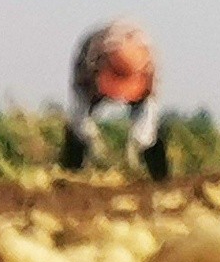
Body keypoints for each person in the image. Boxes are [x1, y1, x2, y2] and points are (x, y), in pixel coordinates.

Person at [62, 19, 166, 178]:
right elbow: (79, 111)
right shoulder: (87, 65)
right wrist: (90, 138)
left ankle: (159, 177)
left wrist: (139, 141)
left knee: (150, 135)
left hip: (137, 69)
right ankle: (70, 173)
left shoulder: (148, 67)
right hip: (90, 70)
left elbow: (149, 112)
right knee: (77, 134)